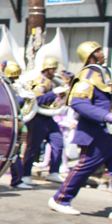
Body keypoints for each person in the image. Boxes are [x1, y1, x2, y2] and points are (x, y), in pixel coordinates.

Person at [49, 42, 112, 220]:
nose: (101, 53)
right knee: (85, 167)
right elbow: (78, 103)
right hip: (96, 133)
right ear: (89, 56)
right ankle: (60, 200)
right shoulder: (87, 75)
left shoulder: (104, 74)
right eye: (97, 51)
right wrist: (106, 116)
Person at [21, 57, 67, 185]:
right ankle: (25, 174)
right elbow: (38, 100)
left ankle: (53, 172)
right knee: (32, 147)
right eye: (53, 69)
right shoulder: (40, 82)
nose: (54, 71)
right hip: (38, 118)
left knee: (58, 142)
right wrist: (53, 93)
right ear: (47, 69)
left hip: (49, 117)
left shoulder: (51, 81)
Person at [3, 63, 33, 190]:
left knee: (15, 152)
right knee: (14, 153)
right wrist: (21, 97)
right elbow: (10, 104)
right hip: (9, 124)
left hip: (17, 123)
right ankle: (17, 180)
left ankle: (17, 179)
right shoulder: (6, 87)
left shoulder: (14, 87)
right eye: (14, 77)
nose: (16, 80)